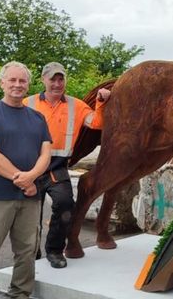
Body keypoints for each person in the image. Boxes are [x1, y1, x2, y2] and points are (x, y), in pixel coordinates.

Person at [0, 61, 52, 299]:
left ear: (28, 85)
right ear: (2, 83)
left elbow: (45, 154)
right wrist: (25, 181)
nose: (17, 85)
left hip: (29, 199)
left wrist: (32, 177)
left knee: (27, 252)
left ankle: (20, 294)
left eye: (22, 80)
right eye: (12, 80)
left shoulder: (37, 118)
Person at [23, 62, 111, 269]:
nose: (57, 83)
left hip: (57, 168)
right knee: (29, 213)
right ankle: (30, 252)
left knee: (65, 206)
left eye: (60, 79)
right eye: (52, 79)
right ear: (43, 80)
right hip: (30, 167)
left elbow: (97, 123)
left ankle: (54, 251)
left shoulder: (77, 105)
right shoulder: (28, 103)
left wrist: (101, 101)